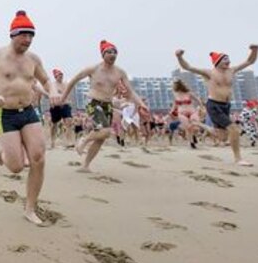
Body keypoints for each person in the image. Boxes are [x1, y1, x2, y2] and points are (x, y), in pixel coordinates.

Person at [0, 10, 57, 225]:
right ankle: (4, 149)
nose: (28, 40)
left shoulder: (34, 59)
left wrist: (53, 91)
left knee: (38, 158)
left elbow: (46, 81)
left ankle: (30, 208)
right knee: (16, 167)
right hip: (5, 114)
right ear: (13, 34)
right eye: (24, 35)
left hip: (29, 112)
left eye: (31, 36)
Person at [61, 40, 149, 172]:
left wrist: (141, 104)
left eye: (115, 52)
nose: (112, 54)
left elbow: (131, 92)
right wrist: (63, 98)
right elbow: (73, 80)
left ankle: (85, 165)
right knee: (106, 131)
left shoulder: (120, 72)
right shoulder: (93, 69)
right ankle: (84, 140)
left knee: (101, 137)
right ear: (103, 54)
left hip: (107, 104)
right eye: (109, 52)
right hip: (93, 101)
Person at [176, 45, 258, 166]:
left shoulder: (232, 70)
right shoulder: (209, 73)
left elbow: (250, 61)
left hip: (226, 105)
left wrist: (254, 50)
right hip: (214, 105)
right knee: (234, 129)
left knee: (223, 137)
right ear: (218, 61)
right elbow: (187, 67)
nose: (228, 61)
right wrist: (179, 56)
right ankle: (238, 159)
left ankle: (199, 124)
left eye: (229, 59)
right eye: (225, 59)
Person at [169, 79, 204, 148]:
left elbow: (197, 99)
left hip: (192, 111)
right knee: (188, 128)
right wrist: (171, 111)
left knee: (195, 127)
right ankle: (192, 143)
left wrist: (201, 106)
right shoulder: (175, 94)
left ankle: (193, 136)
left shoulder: (188, 93)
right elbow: (175, 103)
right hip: (181, 113)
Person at [48, 69, 74, 149]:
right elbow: (50, 95)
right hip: (55, 106)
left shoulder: (65, 84)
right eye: (59, 75)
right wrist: (51, 102)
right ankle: (52, 141)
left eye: (62, 75)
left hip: (65, 105)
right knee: (54, 125)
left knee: (69, 121)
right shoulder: (53, 85)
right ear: (55, 77)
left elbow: (69, 94)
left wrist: (70, 102)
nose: (61, 76)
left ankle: (69, 141)